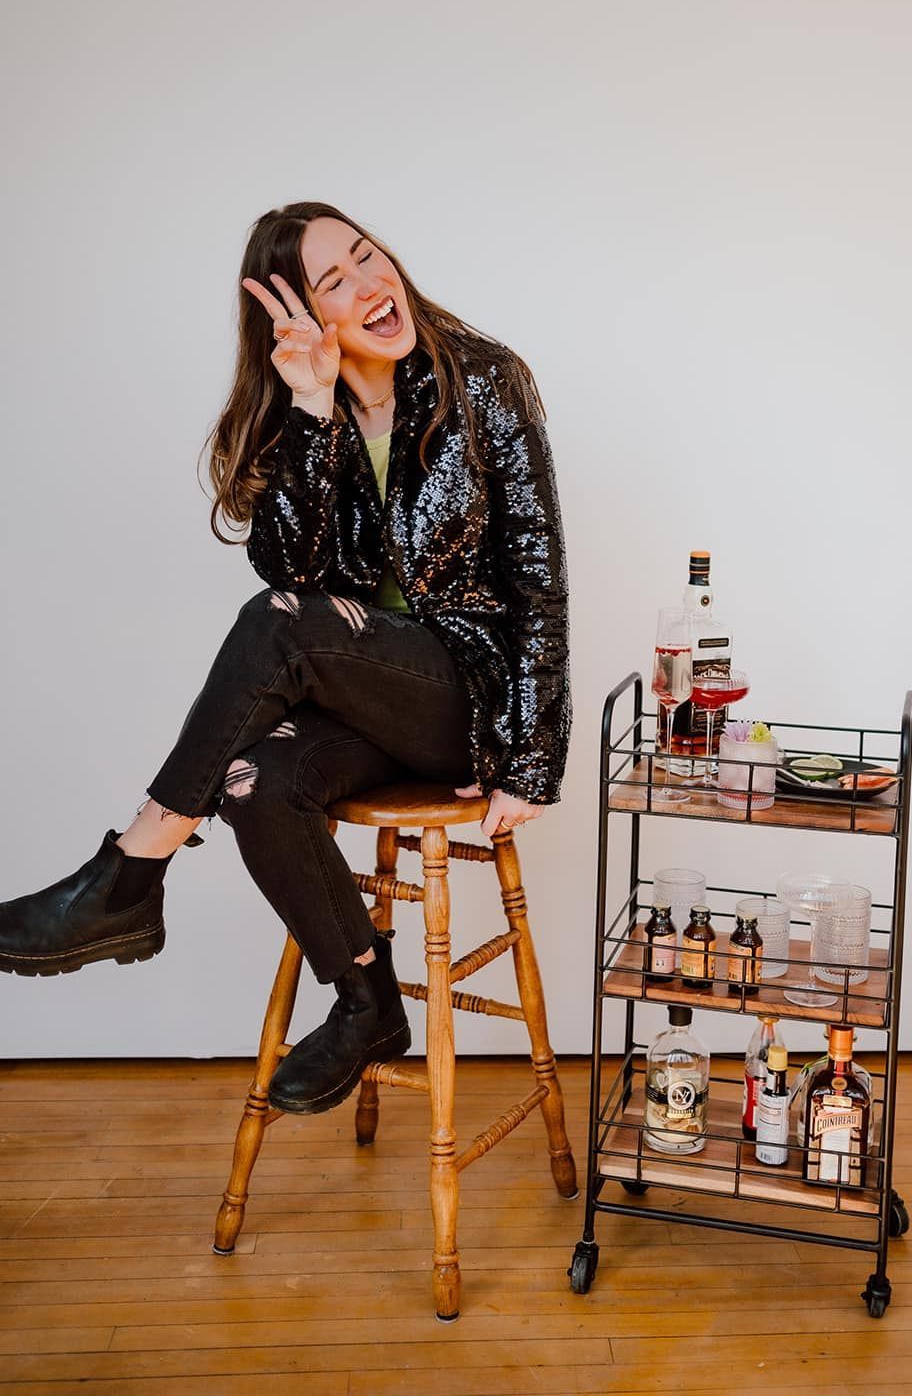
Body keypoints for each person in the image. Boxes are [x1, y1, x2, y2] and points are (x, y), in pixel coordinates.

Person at [0, 200, 571, 1114]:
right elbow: (296, 569)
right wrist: (312, 408)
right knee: (250, 781)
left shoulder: (484, 381)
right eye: (330, 283)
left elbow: (538, 574)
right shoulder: (312, 405)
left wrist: (532, 760)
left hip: (462, 698)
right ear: (300, 318)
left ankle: (131, 872)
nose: (367, 284)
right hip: (359, 704)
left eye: (365, 256)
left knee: (275, 622)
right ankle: (366, 1001)